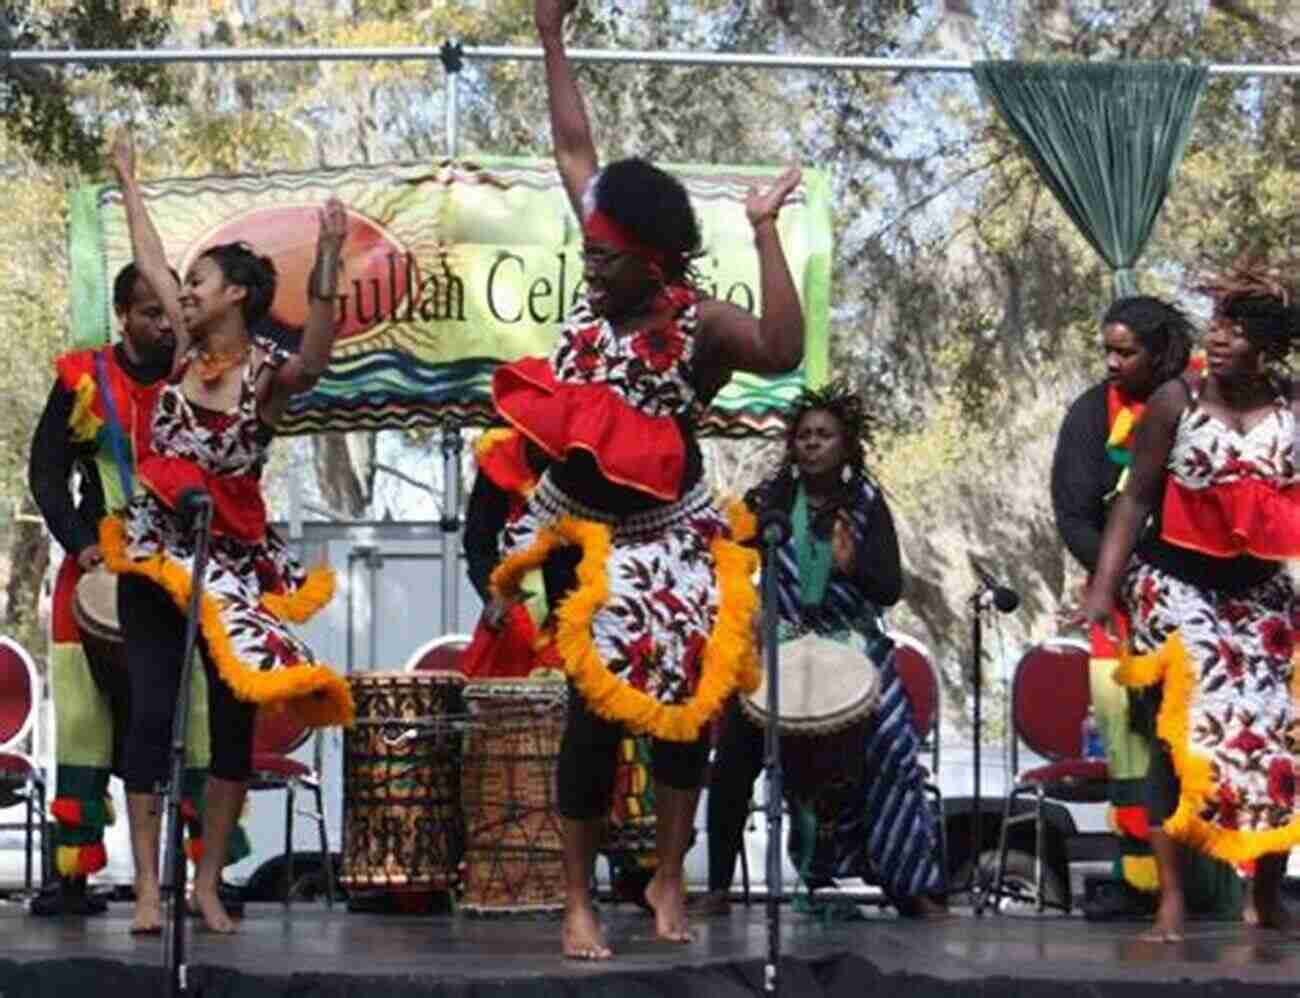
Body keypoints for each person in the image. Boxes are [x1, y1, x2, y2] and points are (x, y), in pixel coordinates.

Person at [487, 0, 804, 960]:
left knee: (683, 716)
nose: (590, 264)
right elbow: (575, 151)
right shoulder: (596, 291)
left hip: (674, 534)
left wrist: (763, 233)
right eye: (588, 249)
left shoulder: (696, 322)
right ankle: (578, 900)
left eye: (606, 257)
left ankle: (669, 875)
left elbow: (785, 347)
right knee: (590, 720)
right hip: (579, 532)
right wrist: (551, 39)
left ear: (654, 260)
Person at [101, 133, 353, 934]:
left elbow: (316, 354)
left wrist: (329, 264)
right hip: (156, 552)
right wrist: (129, 179)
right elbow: (149, 262)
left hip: (234, 559)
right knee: (149, 714)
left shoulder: (268, 377)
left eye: (199, 282)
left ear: (237, 295)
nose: (182, 294)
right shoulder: (178, 354)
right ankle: (147, 886)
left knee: (235, 718)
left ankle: (207, 881)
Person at [27, 259, 251, 917]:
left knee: (198, 711)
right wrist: (80, 541)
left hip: (180, 564)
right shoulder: (82, 378)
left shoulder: (196, 373)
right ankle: (74, 872)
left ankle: (203, 876)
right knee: (82, 714)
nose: (165, 323)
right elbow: (46, 473)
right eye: (151, 313)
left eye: (171, 312)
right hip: (98, 565)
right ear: (123, 315)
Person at [1084, 264, 1300, 942]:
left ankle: (1263, 896)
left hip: (1261, 592)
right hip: (1176, 587)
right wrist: (1099, 590)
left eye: (1239, 329)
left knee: (1277, 740)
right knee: (1183, 737)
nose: (1223, 338)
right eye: (1218, 326)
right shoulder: (1176, 401)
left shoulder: (1294, 407)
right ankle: (1171, 905)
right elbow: (1136, 500)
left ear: (1268, 346)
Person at [697, 383, 946, 917]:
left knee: (895, 746)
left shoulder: (867, 505)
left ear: (845, 444)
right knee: (737, 753)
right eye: (804, 435)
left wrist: (854, 564)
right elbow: (720, 555)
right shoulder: (768, 501)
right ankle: (717, 886)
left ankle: (910, 885)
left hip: (853, 643)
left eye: (824, 435)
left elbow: (888, 590)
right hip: (780, 645)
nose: (811, 444)